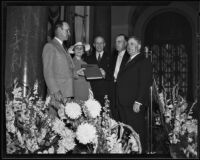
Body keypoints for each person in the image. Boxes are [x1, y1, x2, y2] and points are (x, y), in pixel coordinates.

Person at [116, 36, 153, 153]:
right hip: (123, 103)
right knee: (127, 133)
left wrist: (139, 101)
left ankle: (141, 153)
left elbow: (145, 83)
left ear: (139, 46)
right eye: (128, 44)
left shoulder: (143, 60)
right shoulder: (128, 60)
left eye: (132, 44)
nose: (129, 47)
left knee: (137, 133)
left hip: (133, 104)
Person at [42, 21, 83, 117]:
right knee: (53, 124)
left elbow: (64, 69)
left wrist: (77, 73)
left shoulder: (62, 46)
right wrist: (56, 91)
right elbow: (48, 72)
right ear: (59, 30)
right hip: (57, 94)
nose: (69, 33)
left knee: (62, 128)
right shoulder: (50, 46)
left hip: (67, 93)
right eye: (67, 30)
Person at [84, 36, 111, 106]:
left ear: (104, 44)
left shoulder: (111, 58)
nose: (99, 45)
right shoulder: (88, 58)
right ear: (94, 45)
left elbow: (114, 75)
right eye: (97, 43)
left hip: (106, 92)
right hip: (92, 92)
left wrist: (105, 75)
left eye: (101, 43)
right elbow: (86, 76)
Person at [109, 34, 130, 121]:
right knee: (115, 115)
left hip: (125, 91)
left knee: (125, 116)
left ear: (125, 43)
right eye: (116, 42)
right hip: (113, 89)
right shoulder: (113, 56)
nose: (116, 44)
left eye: (119, 42)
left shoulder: (129, 57)